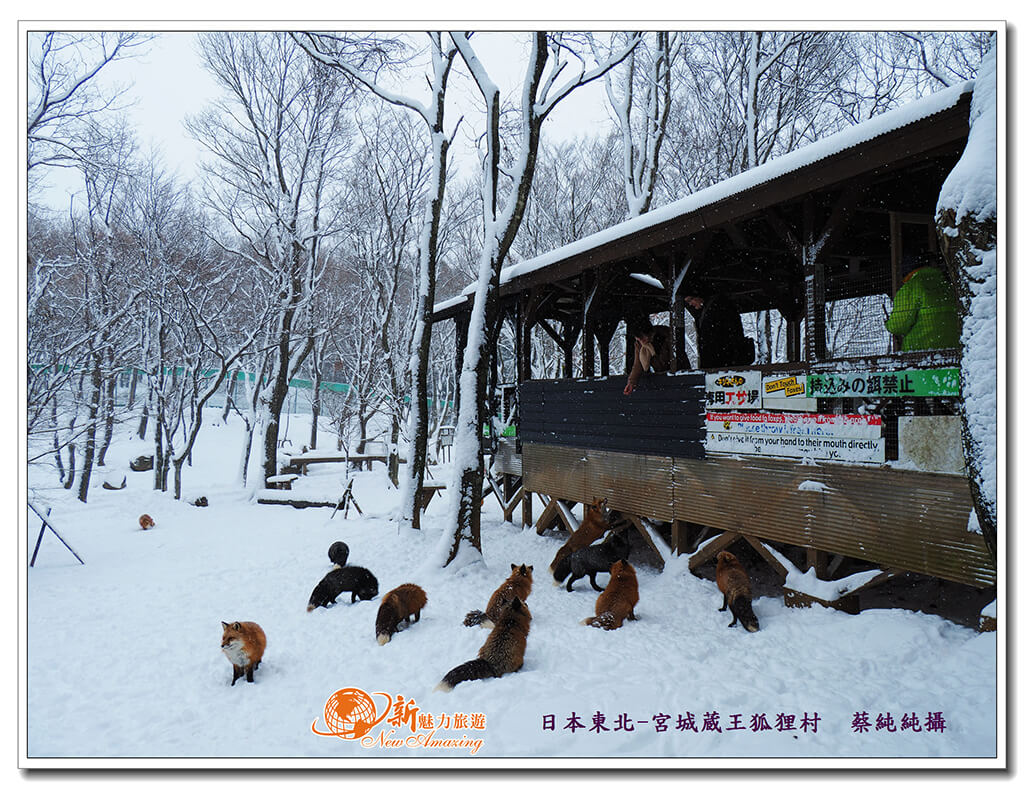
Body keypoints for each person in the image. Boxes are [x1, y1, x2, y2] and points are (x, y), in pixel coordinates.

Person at [885, 255, 960, 351]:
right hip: (953, 351)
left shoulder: (911, 287)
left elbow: (898, 326)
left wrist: (888, 324)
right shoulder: (947, 285)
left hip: (921, 353)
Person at [683, 290, 754, 369]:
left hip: (723, 361)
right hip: (721, 361)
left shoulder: (718, 308)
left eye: (690, 300)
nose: (690, 304)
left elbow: (728, 336)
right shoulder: (709, 310)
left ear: (698, 296)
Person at [622, 316, 672, 395]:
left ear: (648, 332)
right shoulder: (639, 344)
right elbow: (638, 364)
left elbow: (669, 360)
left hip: (673, 376)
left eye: (642, 337)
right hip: (661, 378)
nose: (641, 341)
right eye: (638, 339)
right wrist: (631, 382)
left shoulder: (665, 336)